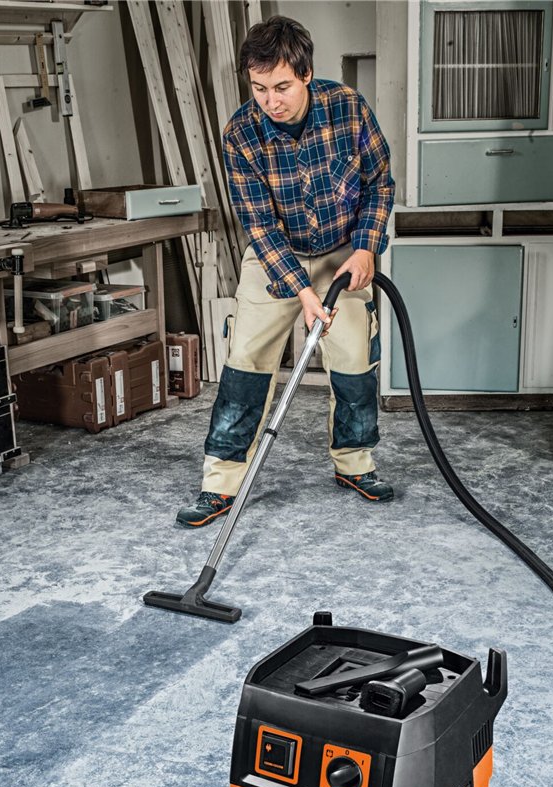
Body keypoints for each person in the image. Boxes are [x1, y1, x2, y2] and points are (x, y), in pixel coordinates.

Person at [176, 15, 396, 527]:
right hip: (276, 254)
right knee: (246, 363)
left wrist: (366, 249)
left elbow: (380, 183)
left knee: (355, 361)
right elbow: (259, 224)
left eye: (281, 87)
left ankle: (355, 464)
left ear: (306, 74)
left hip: (342, 252)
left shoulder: (347, 108)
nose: (270, 101)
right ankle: (221, 483)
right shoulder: (240, 135)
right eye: (259, 89)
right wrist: (301, 290)